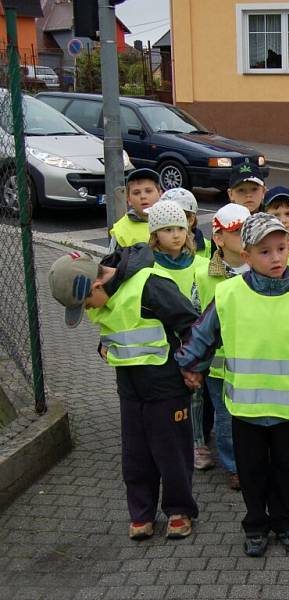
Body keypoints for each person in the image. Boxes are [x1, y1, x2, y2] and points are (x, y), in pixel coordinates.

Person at [176, 213, 289, 559]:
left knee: (288, 472)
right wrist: (190, 367)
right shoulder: (229, 294)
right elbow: (202, 335)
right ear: (246, 257)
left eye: (280, 248)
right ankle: (256, 525)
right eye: (264, 252)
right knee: (252, 472)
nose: (275, 257)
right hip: (244, 409)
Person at [47, 247, 199, 540]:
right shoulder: (105, 296)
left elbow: (191, 325)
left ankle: (179, 510)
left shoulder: (151, 285)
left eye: (87, 303)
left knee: (172, 454)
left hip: (166, 388)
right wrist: (103, 347)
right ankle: (141, 513)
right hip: (130, 390)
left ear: (96, 284)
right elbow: (114, 332)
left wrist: (192, 366)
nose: (89, 310)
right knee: (135, 456)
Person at [145, 200, 212, 470]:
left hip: (198, 339)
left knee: (197, 394)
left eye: (180, 228)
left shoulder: (202, 264)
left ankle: (199, 441)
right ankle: (183, 441)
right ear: (154, 236)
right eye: (167, 229)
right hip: (164, 341)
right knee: (175, 396)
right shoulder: (149, 267)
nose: (175, 235)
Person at [193, 202, 252, 491]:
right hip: (219, 366)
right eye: (239, 231)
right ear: (218, 237)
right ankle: (235, 466)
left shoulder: (263, 270)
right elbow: (196, 316)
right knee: (226, 418)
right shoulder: (205, 275)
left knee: (252, 416)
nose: (246, 237)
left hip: (256, 361)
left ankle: (255, 460)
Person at [109, 168, 162, 250]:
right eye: (136, 193)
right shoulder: (121, 230)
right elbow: (110, 261)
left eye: (148, 191)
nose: (143, 196)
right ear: (129, 200)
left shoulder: (174, 221)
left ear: (160, 194)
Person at [161, 187, 210, 259]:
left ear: (190, 220)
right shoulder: (152, 247)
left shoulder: (209, 248)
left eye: (175, 217)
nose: (168, 222)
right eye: (163, 217)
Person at [263, 186, 289, 269]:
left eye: (288, 214)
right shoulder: (258, 248)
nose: (283, 220)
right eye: (275, 215)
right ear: (264, 217)